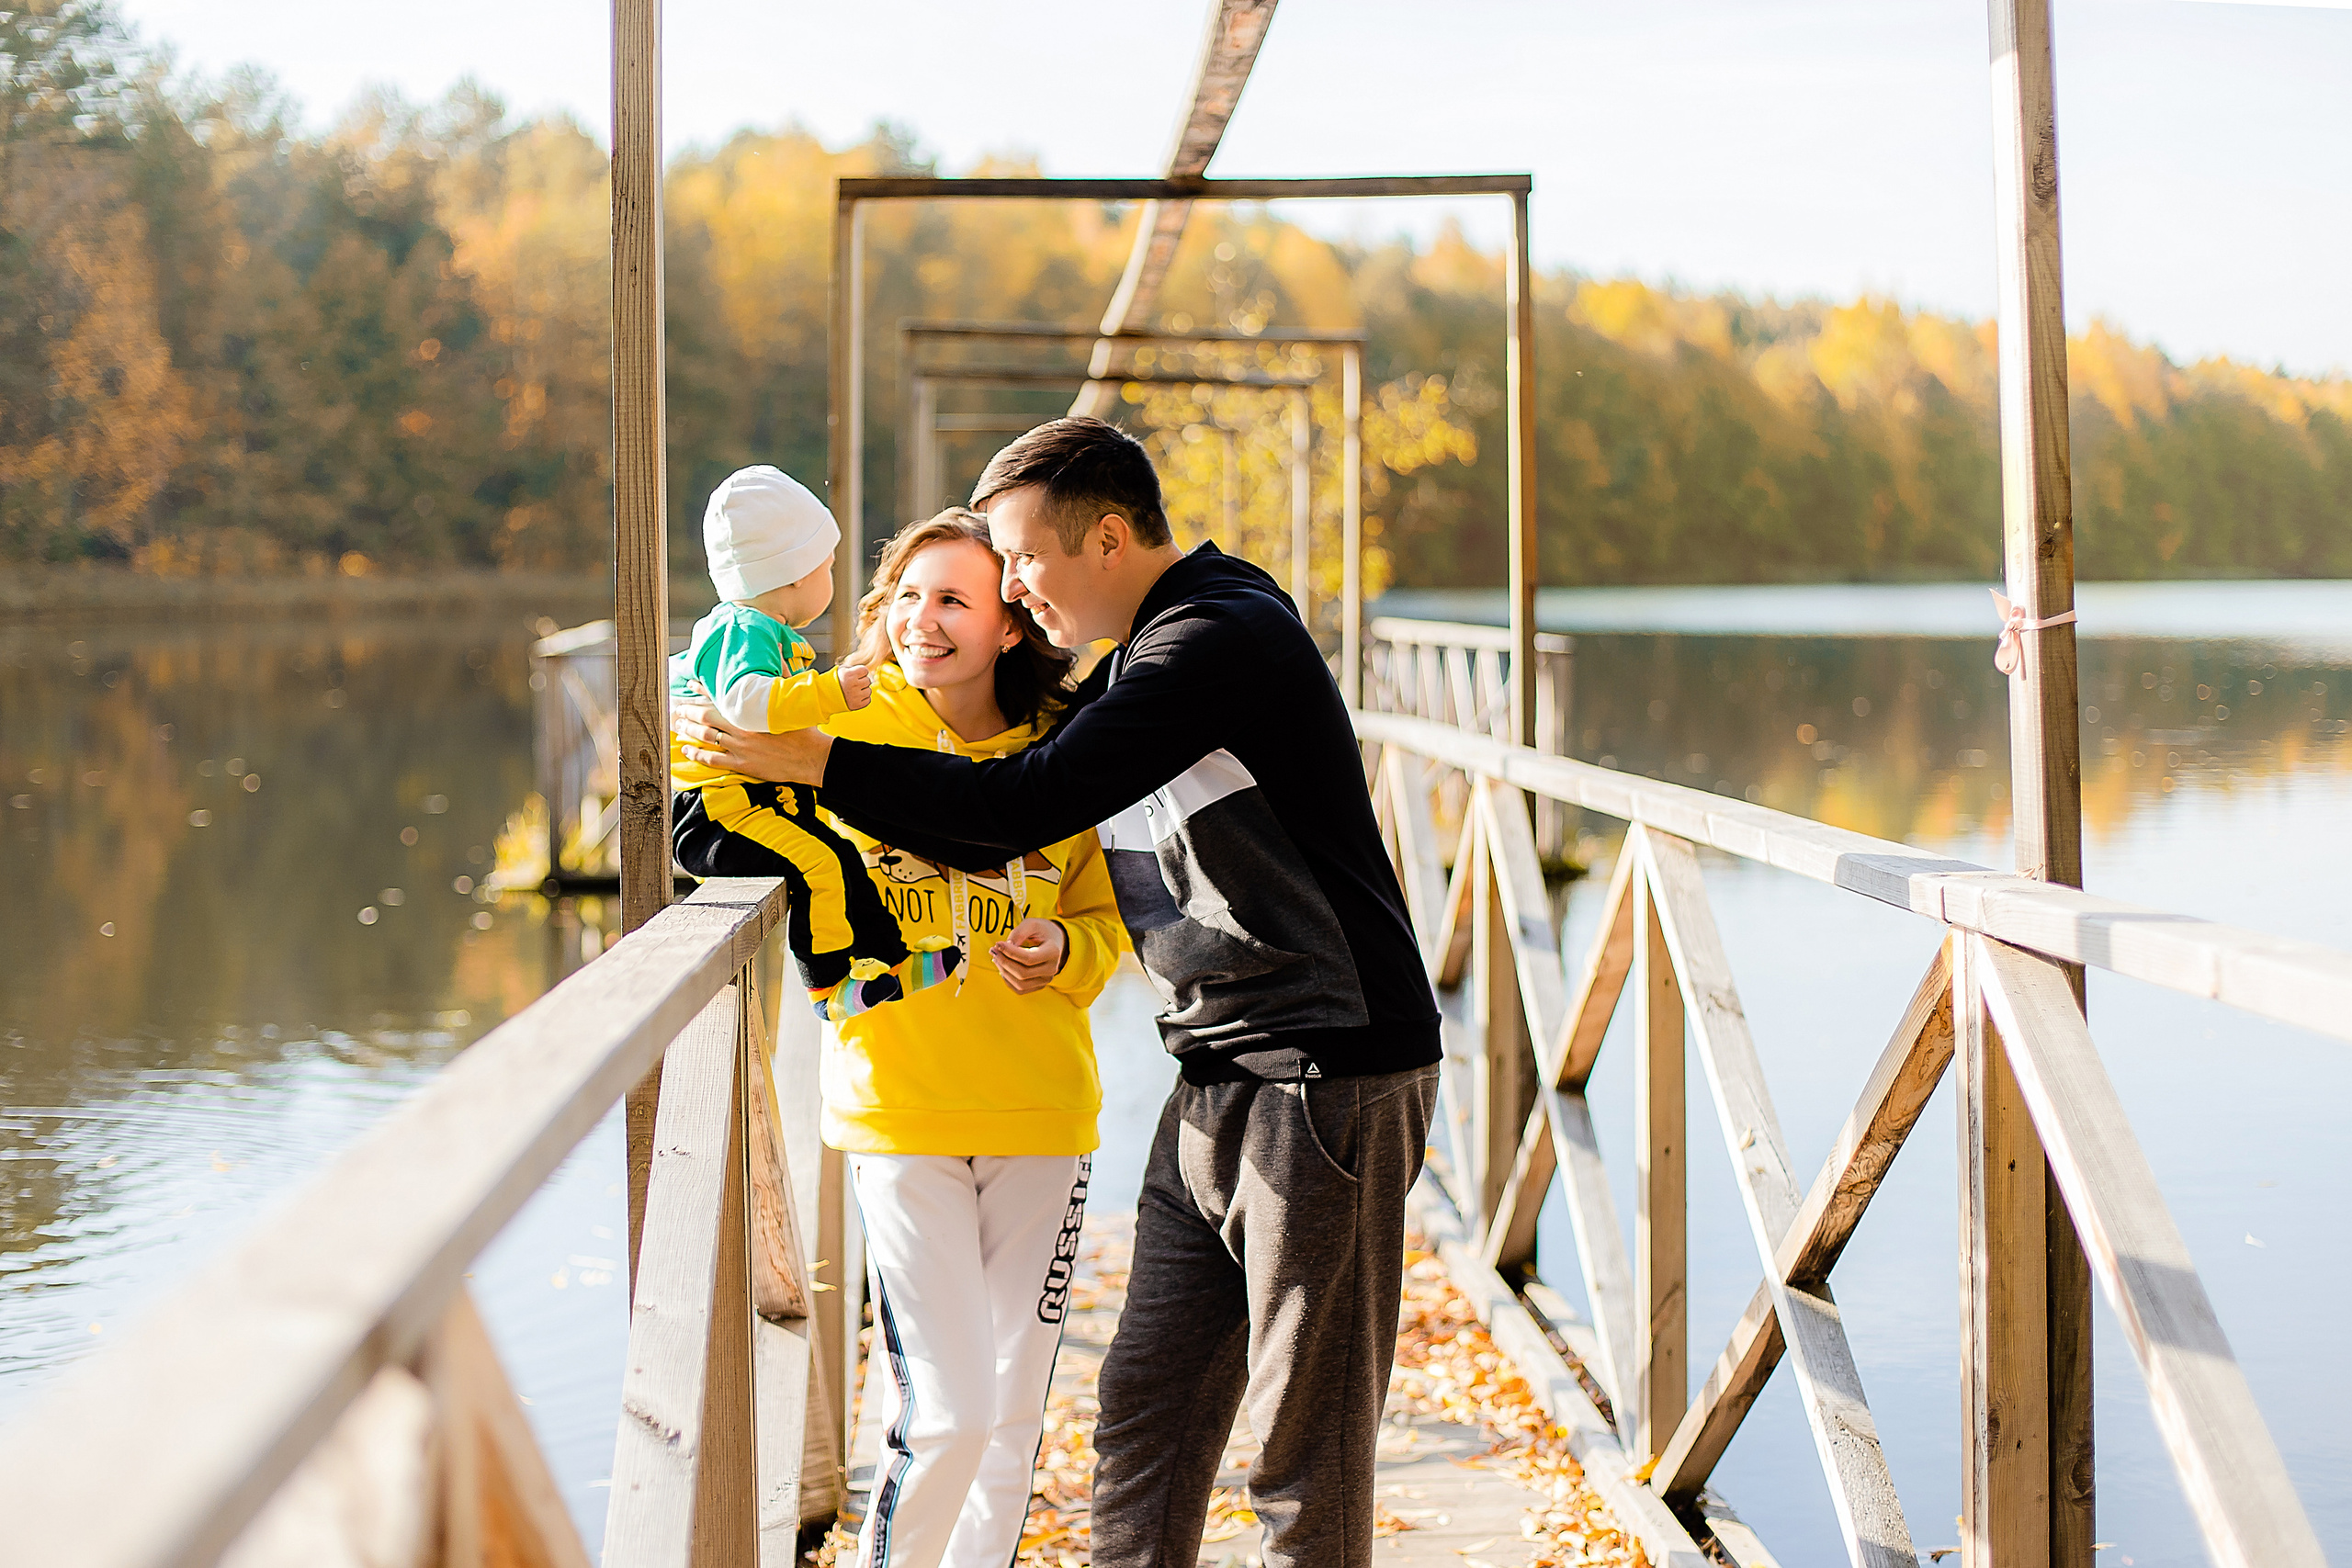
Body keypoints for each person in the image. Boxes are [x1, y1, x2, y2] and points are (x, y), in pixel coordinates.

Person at [677, 418, 1442, 1568]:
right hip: (1215, 1071)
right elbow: (978, 785)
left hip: (1325, 1076)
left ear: (1110, 537)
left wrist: (811, 758)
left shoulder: (1214, 638)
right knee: (1142, 1416)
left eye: (1022, 560)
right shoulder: (1137, 666)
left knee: (1300, 1452)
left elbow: (1019, 808)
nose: (1018, 591)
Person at [812, 508, 1126, 1568]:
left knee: (1006, 1426)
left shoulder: (1067, 757)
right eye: (905, 595)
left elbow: (1110, 917)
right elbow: (712, 762)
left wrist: (1065, 947)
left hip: (1042, 1115)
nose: (921, 619)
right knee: (943, 1414)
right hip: (901, 1111)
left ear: (1007, 626)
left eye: (951, 598)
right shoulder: (844, 734)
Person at [670, 465, 956, 1021]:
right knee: (821, 866)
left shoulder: (756, 630)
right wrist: (828, 693)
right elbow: (746, 702)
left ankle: (889, 959)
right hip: (720, 814)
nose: (831, 576)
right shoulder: (740, 629)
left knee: (844, 856)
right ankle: (827, 988)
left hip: (758, 805)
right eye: (826, 565)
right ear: (795, 575)